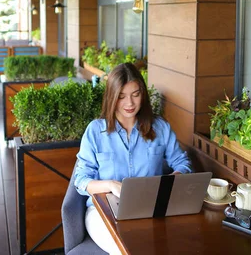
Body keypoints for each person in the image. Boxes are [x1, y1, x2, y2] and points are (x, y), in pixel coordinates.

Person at [74, 63, 192, 254]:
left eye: (135, 94)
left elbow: (182, 163)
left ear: (143, 94)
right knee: (126, 249)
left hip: (150, 208)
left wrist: (172, 180)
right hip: (103, 212)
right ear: (112, 97)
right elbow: (81, 181)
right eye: (121, 96)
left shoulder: (160, 127)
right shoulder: (95, 131)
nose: (129, 103)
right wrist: (111, 185)